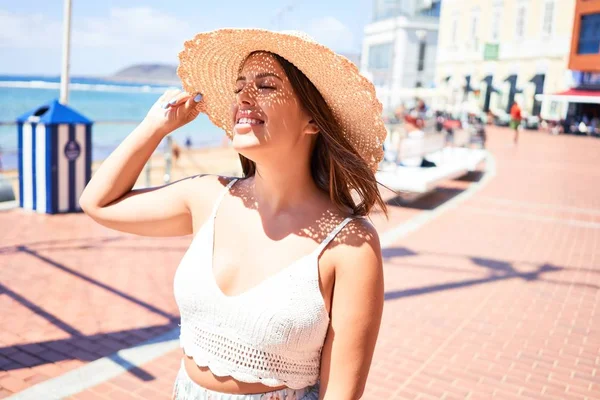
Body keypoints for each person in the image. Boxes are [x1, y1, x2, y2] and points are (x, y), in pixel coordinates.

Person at [79, 29, 386, 400]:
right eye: (240, 85)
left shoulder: (349, 244)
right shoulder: (207, 197)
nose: (243, 95)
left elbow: (340, 393)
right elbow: (99, 203)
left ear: (313, 120)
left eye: (267, 86)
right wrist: (155, 127)